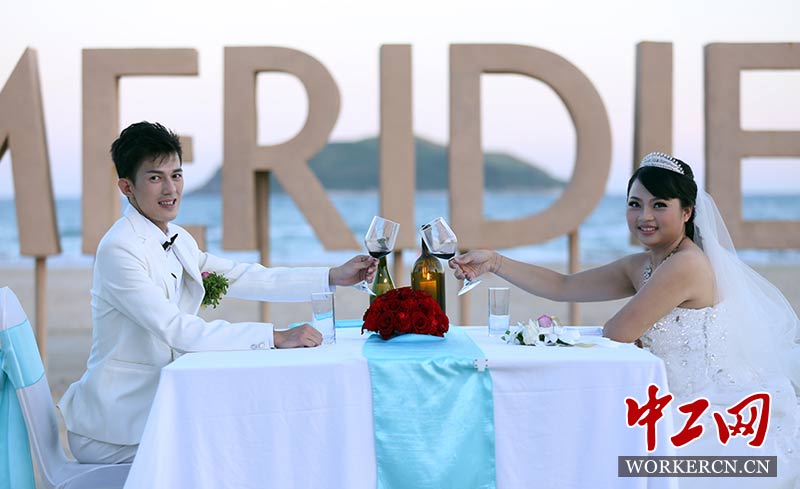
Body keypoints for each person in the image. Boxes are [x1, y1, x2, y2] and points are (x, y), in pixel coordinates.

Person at [450, 152, 800, 487]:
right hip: (661, 399)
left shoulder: (686, 265)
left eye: (659, 205)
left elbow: (617, 333)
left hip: (697, 411)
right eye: (635, 204)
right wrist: (495, 262)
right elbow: (563, 285)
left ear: (687, 212)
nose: (644, 216)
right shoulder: (644, 264)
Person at [58, 121, 377, 464]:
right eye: (155, 178)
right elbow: (177, 329)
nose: (170, 189)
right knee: (234, 451)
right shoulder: (119, 249)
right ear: (127, 187)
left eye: (176, 175)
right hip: (114, 428)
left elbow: (245, 276)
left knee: (251, 435)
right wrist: (275, 337)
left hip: (163, 406)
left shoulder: (178, 239)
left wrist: (332, 276)